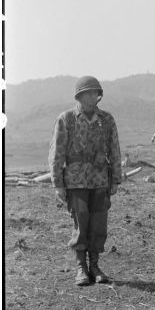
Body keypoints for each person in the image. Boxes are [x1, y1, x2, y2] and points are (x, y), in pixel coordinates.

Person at [48, 76, 122, 286]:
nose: (93, 96)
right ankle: (81, 267)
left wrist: (115, 179)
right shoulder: (66, 119)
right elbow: (57, 153)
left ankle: (95, 265)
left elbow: (115, 149)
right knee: (81, 222)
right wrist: (57, 184)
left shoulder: (106, 120)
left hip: (100, 179)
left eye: (95, 92)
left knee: (99, 223)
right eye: (88, 92)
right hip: (75, 180)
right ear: (78, 95)